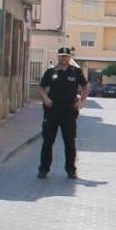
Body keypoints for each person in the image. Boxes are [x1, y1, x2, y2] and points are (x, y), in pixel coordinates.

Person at [37, 47, 88, 179]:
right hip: (52, 110)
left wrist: (82, 101)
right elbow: (41, 88)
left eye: (66, 56)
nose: (63, 58)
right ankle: (43, 169)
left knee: (70, 142)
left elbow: (85, 86)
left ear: (70, 57)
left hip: (69, 111)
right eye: (61, 56)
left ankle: (71, 170)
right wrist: (45, 98)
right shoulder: (51, 72)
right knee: (48, 141)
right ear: (58, 57)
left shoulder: (76, 72)